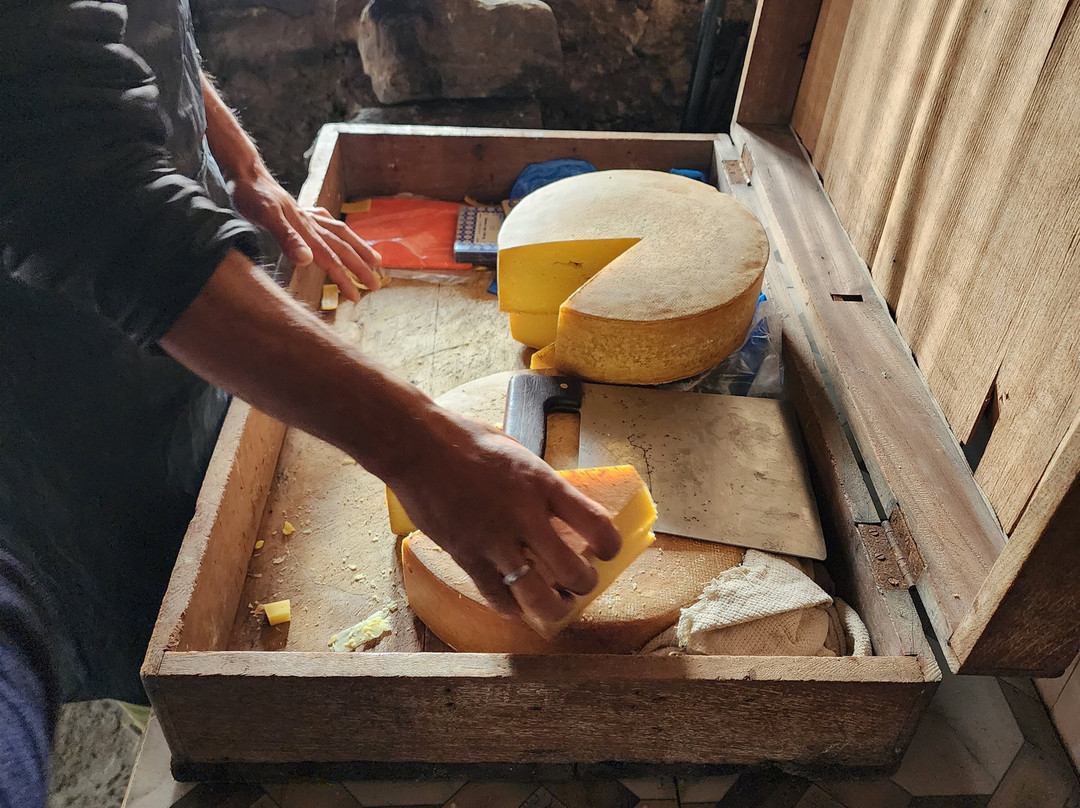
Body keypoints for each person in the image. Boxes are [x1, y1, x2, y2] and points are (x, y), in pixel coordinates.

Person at [0, 2, 621, 805]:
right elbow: (81, 184)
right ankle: (153, 724)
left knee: (199, 545)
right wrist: (424, 452)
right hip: (50, 397)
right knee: (130, 617)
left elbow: (143, 31)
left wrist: (241, 171)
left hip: (186, 323)